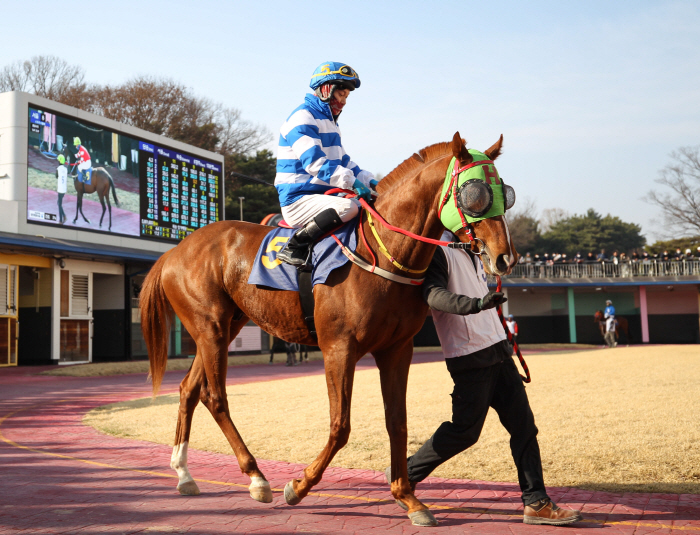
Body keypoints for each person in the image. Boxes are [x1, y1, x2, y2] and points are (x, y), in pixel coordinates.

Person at [388, 233, 582, 526]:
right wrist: (476, 304)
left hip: (499, 352)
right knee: (464, 432)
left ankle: (536, 503)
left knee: (525, 428)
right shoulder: (438, 250)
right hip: (468, 356)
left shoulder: (473, 251)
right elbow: (433, 295)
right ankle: (405, 473)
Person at [274, 61, 376, 266]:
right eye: (341, 94)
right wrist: (353, 184)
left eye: (347, 96)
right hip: (298, 200)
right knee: (349, 208)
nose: (344, 101)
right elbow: (316, 164)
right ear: (325, 90)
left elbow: (345, 162)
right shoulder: (302, 117)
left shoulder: (330, 123)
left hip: (321, 198)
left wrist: (373, 182)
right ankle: (295, 246)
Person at [55, 155, 67, 224]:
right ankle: (64, 216)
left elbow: (56, 176)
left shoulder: (58, 168)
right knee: (59, 203)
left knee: (59, 204)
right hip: (64, 189)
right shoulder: (65, 169)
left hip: (60, 189)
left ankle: (61, 220)